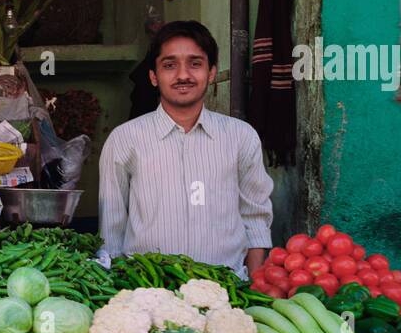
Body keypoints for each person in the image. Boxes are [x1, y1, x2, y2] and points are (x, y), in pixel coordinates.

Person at [99, 20, 274, 279]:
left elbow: (256, 218)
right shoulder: (125, 139)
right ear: (153, 76)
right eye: (169, 65)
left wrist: (256, 287)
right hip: (148, 292)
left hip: (228, 291)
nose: (183, 75)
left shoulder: (241, 136)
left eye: (195, 63)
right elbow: (111, 230)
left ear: (212, 72)